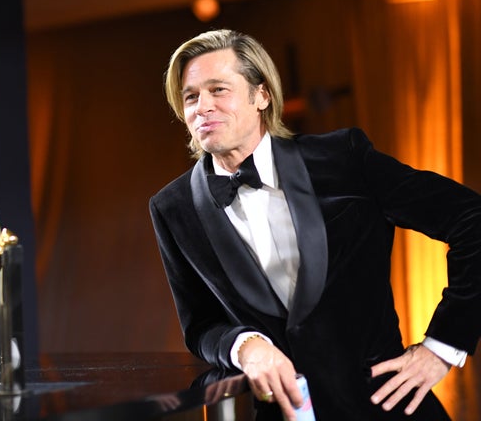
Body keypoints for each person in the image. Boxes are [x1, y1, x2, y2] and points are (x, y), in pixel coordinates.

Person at [149, 29, 481, 420]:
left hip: (385, 405)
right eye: (190, 96)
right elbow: (201, 326)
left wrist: (442, 347)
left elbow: (471, 220)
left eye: (218, 89)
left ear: (261, 95)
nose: (201, 106)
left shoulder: (344, 158)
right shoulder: (173, 207)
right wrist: (245, 345)